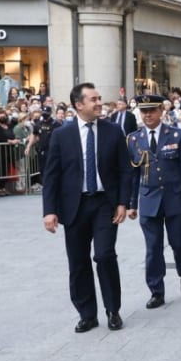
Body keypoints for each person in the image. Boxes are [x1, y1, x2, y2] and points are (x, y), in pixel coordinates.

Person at [42, 82, 132, 333]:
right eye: (93, 99)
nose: (99, 102)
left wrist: (123, 203)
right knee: (78, 262)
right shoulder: (62, 135)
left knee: (104, 256)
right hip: (74, 207)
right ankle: (87, 314)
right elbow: (52, 176)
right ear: (78, 104)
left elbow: (126, 170)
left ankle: (113, 310)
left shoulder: (113, 131)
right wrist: (49, 211)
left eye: (99, 98)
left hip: (105, 203)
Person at [126, 95, 181, 309]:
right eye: (144, 111)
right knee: (153, 249)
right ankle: (156, 291)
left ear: (161, 111)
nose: (148, 115)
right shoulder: (133, 139)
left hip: (175, 199)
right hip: (149, 201)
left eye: (152, 110)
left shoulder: (176, 135)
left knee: (179, 245)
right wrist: (132, 204)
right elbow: (133, 175)